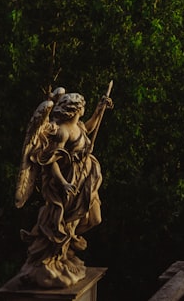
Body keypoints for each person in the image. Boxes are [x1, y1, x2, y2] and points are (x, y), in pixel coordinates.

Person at [15, 87, 114, 288]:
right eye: (83, 106)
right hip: (68, 185)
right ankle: (53, 256)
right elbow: (50, 161)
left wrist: (99, 110)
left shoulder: (77, 125)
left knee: (95, 218)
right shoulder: (60, 131)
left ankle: (66, 247)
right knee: (61, 224)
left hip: (86, 181)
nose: (84, 109)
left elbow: (88, 128)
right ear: (76, 109)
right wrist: (63, 183)